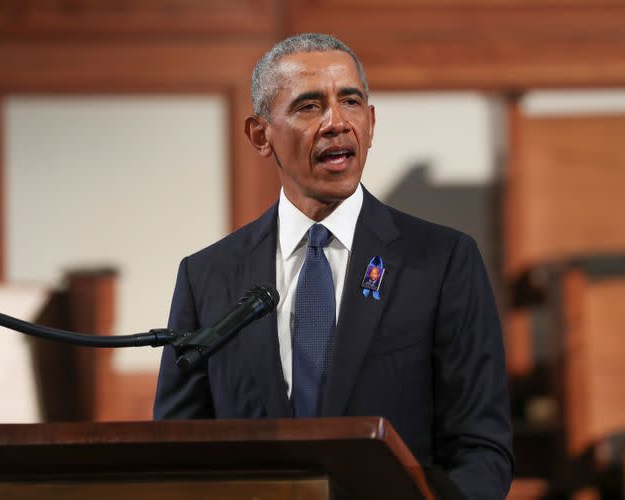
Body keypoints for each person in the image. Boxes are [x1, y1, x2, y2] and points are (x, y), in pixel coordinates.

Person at [154, 33, 514, 499]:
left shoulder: (441, 262)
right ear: (260, 135)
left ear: (371, 122)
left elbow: (482, 451)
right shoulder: (207, 277)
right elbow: (177, 453)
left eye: (351, 101)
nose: (336, 122)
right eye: (308, 106)